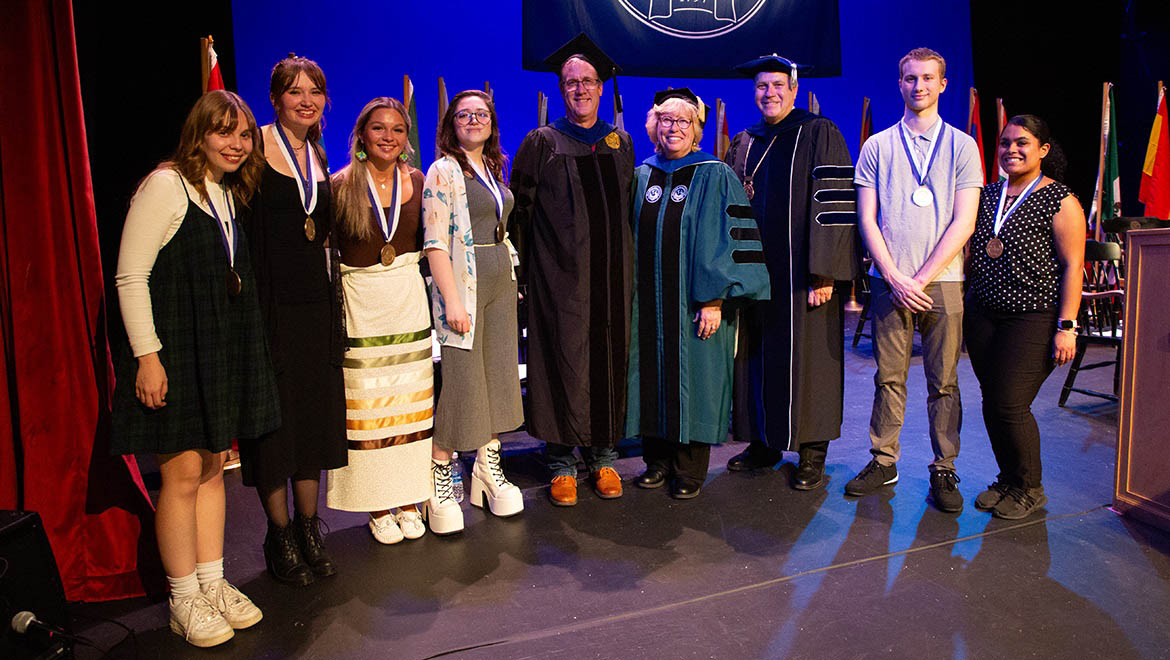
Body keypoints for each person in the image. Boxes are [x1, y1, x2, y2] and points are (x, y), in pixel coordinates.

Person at [111, 90, 277, 647]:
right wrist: (148, 357)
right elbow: (131, 277)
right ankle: (183, 597)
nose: (235, 143)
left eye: (243, 133)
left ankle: (212, 582)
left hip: (217, 352)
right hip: (175, 352)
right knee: (181, 475)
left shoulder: (225, 193)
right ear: (199, 134)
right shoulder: (166, 186)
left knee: (212, 468)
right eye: (223, 131)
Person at [849, 47, 983, 512]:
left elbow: (964, 222)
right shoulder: (877, 146)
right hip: (889, 281)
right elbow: (867, 219)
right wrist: (894, 275)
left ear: (943, 84)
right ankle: (884, 461)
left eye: (928, 78)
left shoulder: (963, 146)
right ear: (899, 83)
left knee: (944, 380)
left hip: (942, 283)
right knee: (889, 378)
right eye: (910, 78)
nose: (919, 86)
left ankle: (944, 468)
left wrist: (920, 279)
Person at [723, 54, 863, 490]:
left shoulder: (819, 132)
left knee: (812, 361)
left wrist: (825, 272)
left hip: (804, 275)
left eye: (778, 85)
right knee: (756, 358)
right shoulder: (744, 142)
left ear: (794, 89)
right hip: (756, 276)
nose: (770, 93)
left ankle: (812, 452)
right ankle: (763, 442)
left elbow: (835, 207)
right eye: (762, 86)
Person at [627, 89, 771, 499]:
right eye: (666, 120)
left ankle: (689, 469)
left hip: (698, 304)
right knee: (650, 376)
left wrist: (714, 298)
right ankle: (656, 461)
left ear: (697, 130)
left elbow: (728, 239)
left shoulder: (714, 173)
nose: (674, 128)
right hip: (649, 306)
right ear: (655, 127)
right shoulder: (642, 175)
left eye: (684, 121)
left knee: (697, 380)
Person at [510, 33, 635, 507]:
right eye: (570, 82)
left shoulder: (619, 143)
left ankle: (603, 457)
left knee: (607, 362)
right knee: (559, 363)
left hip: (612, 281)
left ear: (601, 87)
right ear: (561, 89)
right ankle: (561, 461)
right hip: (557, 282)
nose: (579, 89)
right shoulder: (542, 143)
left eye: (588, 81)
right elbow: (518, 216)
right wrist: (526, 280)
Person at [241, 55, 347, 585]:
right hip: (271, 307)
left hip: (316, 307)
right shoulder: (254, 148)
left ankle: (310, 528)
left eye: (315, 91)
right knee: (277, 430)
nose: (305, 100)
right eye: (294, 91)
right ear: (276, 97)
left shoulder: (319, 156)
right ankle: (279, 534)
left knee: (313, 422)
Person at [964, 115, 1084, 519]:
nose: (1011, 150)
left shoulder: (1060, 199)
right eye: (1005, 143)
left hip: (1032, 318)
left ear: (1043, 150)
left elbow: (1072, 266)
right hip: (983, 314)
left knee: (1011, 403)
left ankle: (1030, 487)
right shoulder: (988, 194)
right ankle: (1009, 479)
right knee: (992, 401)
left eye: (1022, 143)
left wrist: (1067, 326)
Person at [325, 97, 432, 543]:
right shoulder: (339, 185)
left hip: (407, 301)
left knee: (411, 408)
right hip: (361, 304)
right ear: (362, 136)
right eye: (379, 129)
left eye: (397, 130)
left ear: (407, 140)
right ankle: (375, 503)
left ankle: (408, 496)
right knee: (368, 411)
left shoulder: (419, 180)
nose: (388, 137)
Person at [422, 90, 525, 534]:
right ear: (452, 123)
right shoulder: (443, 170)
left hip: (500, 281)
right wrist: (453, 301)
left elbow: (499, 231)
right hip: (464, 285)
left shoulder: (492, 168)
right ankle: (439, 471)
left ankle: (487, 467)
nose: (474, 120)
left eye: (481, 114)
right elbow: (434, 243)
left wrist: (511, 275)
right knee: (463, 381)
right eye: (464, 114)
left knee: (499, 376)